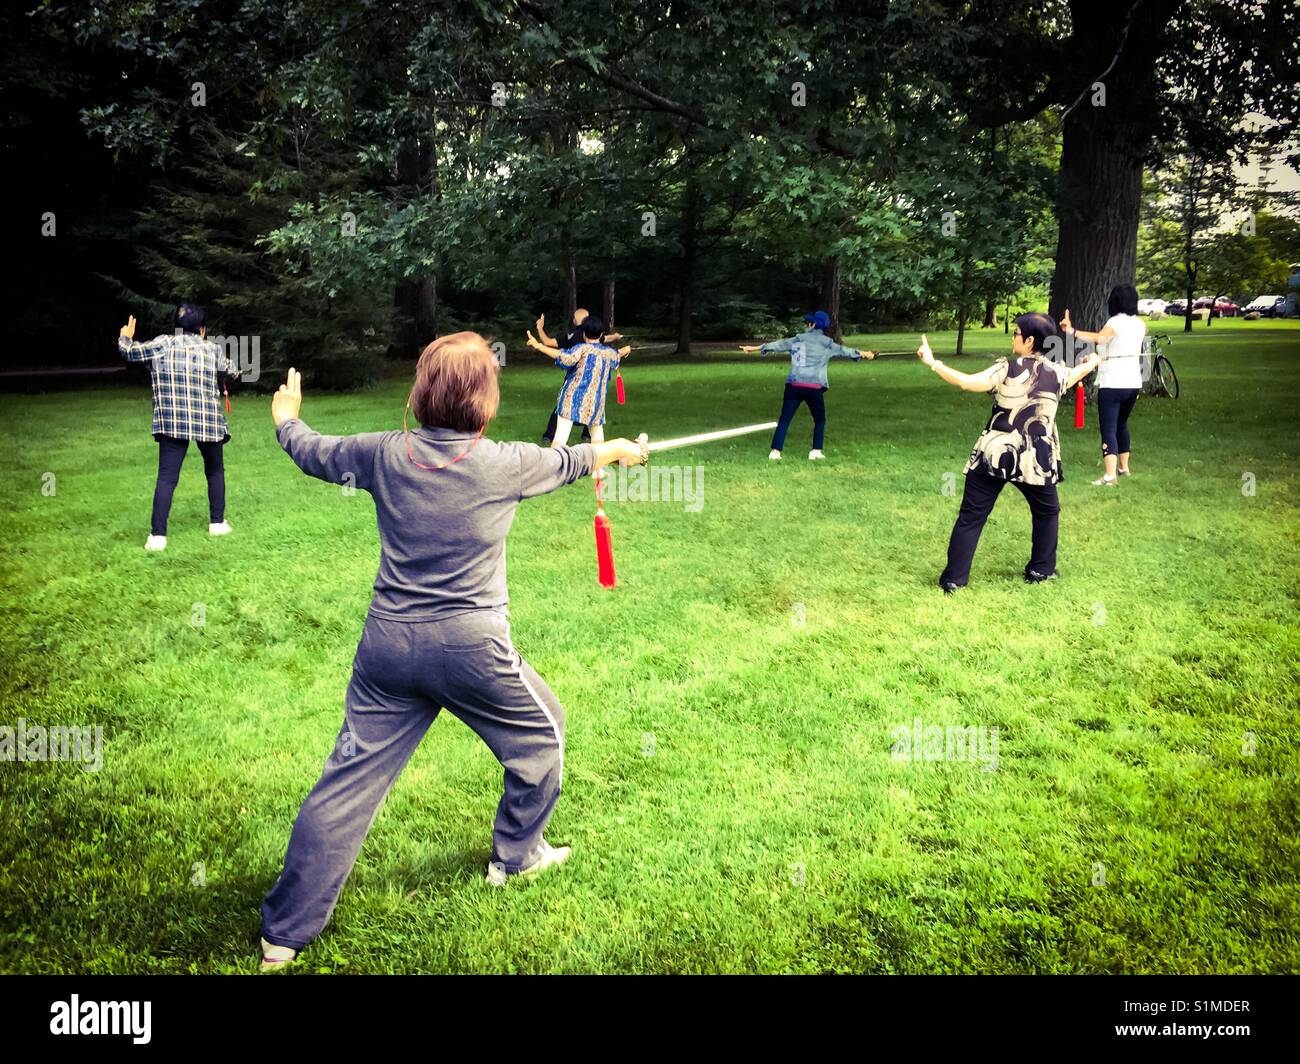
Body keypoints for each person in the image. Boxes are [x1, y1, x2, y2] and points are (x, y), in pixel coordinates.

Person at [259, 333, 645, 969]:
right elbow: (575, 460)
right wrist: (621, 449)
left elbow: (312, 452)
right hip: (470, 650)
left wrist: (286, 418)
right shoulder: (507, 463)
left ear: (420, 391)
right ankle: (518, 856)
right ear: (486, 400)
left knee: (346, 781)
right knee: (543, 736)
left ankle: (283, 934)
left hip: (387, 650)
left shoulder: (382, 453)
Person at [916, 315, 1100, 591]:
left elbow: (968, 382)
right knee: (1047, 511)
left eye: (1016, 333)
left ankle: (954, 579)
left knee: (972, 515)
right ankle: (1041, 570)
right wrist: (1093, 362)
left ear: (1029, 341)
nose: (1013, 338)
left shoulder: (1006, 368)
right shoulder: (1057, 373)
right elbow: (1075, 375)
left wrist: (932, 362)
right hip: (1036, 458)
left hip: (993, 452)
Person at [116, 303, 236, 551]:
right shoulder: (211, 349)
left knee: (167, 478)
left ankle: (158, 537)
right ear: (202, 330)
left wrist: (125, 336)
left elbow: (129, 351)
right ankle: (217, 523)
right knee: (214, 471)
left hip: (173, 422)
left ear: (177, 327)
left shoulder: (163, 344)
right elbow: (232, 371)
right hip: (208, 421)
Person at [739, 310, 875, 460]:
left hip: (794, 385)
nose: (807, 325)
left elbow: (778, 345)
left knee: (785, 419)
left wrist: (755, 348)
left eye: (808, 322)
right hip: (814, 388)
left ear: (812, 324)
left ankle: (775, 452)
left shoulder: (797, 339)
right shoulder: (828, 344)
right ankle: (816, 451)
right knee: (819, 419)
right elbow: (847, 351)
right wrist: (866, 354)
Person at [1060, 285, 1147, 487]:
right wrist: (1094, 357)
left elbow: (1101, 338)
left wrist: (1071, 331)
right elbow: (1115, 348)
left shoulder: (1114, 322)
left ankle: (1109, 476)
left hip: (1112, 383)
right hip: (1133, 383)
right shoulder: (1141, 324)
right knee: (1121, 425)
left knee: (1108, 428)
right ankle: (1124, 468)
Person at [525, 315, 629, 455]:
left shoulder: (580, 349)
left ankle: (554, 468)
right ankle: (598, 471)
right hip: (595, 403)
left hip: (571, 400)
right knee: (598, 440)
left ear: (584, 334)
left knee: (560, 440)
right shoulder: (609, 353)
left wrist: (539, 346)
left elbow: (561, 356)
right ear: (602, 334)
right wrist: (626, 349)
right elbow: (618, 354)